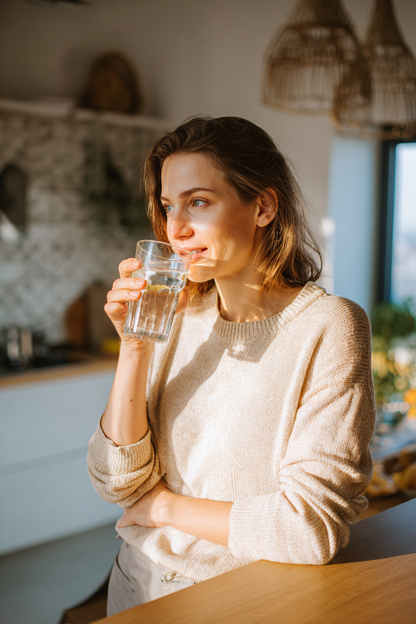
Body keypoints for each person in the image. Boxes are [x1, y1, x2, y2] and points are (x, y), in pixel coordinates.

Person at [87, 115, 375, 615]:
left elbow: (308, 530)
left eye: (198, 202)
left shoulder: (329, 326)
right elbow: (115, 481)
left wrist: (163, 507)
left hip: (243, 601)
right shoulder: (173, 314)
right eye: (168, 205)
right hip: (135, 586)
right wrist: (136, 345)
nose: (175, 229)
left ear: (262, 206)